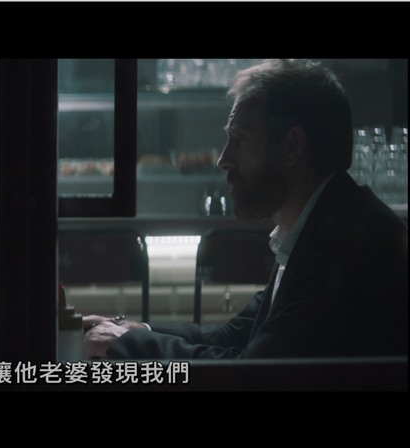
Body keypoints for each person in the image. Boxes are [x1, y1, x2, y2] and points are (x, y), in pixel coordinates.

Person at [84, 59, 408, 359]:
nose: (223, 160)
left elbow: (253, 371)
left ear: (292, 146)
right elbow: (237, 336)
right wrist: (135, 331)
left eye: (240, 140)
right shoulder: (326, 222)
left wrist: (127, 343)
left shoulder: (345, 243)